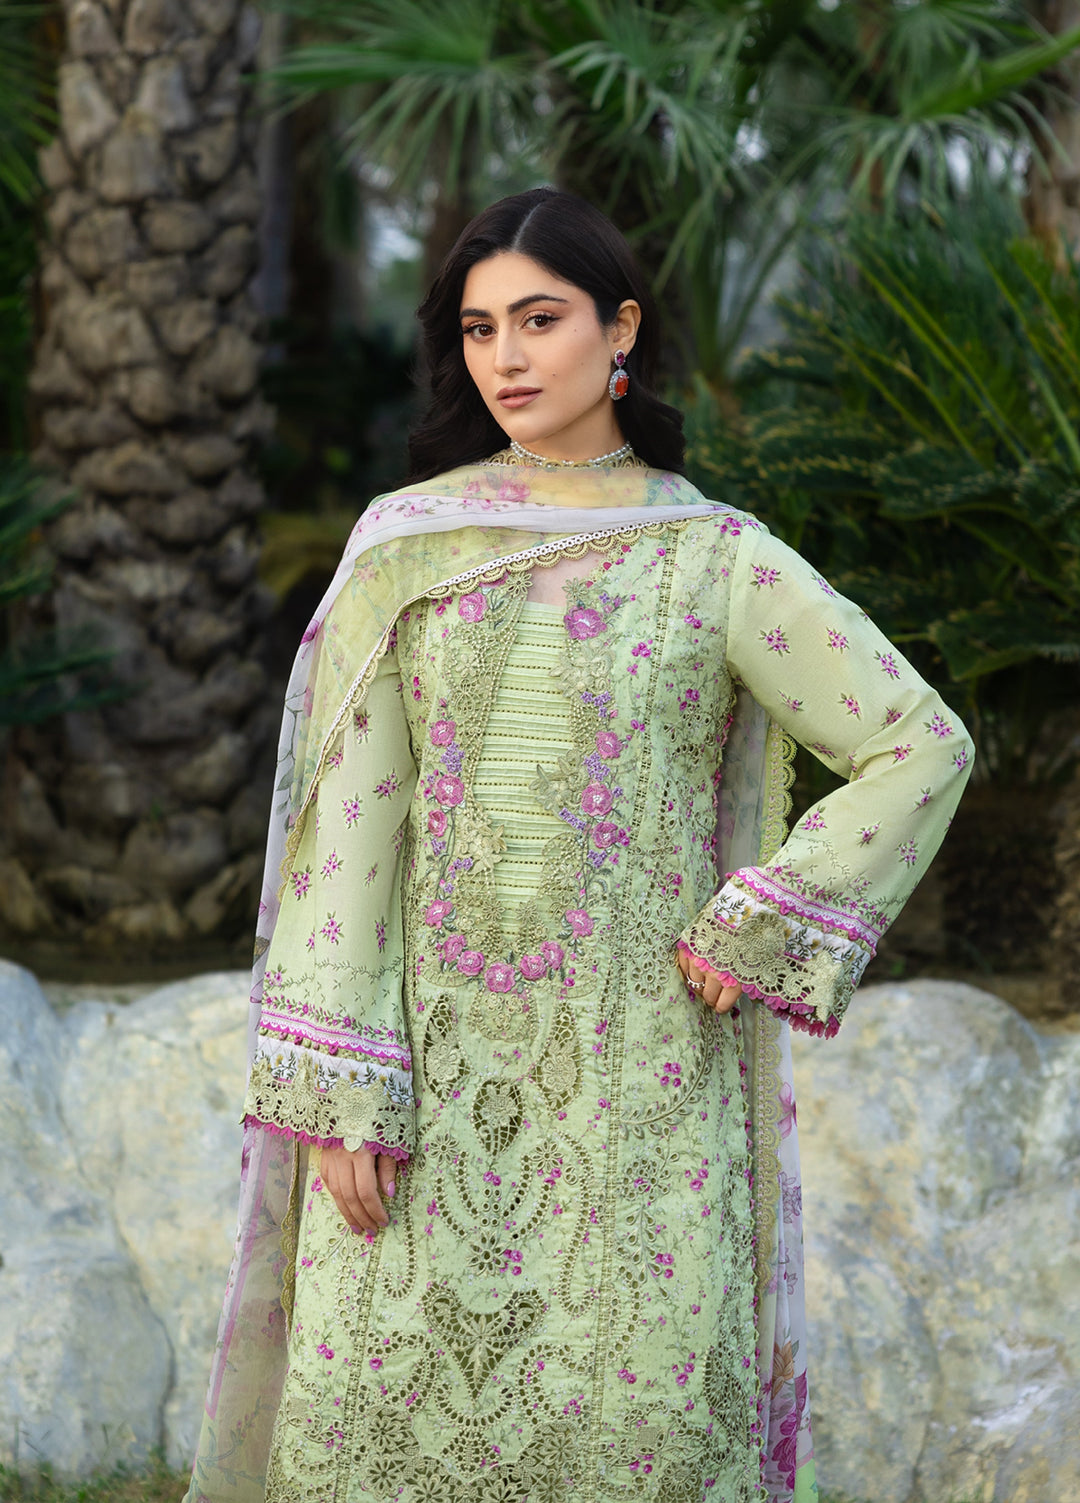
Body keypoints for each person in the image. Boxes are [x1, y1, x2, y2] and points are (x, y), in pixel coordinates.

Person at [184, 188, 973, 1503]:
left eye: (539, 320)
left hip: (639, 1100)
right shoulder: (406, 549)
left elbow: (920, 739)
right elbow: (351, 837)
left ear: (622, 331)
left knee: (635, 1440)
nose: (505, 356)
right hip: (422, 1091)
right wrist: (339, 1091)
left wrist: (768, 914)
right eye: (479, 327)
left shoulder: (713, 558)